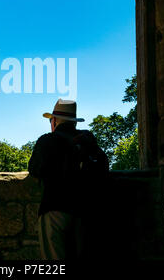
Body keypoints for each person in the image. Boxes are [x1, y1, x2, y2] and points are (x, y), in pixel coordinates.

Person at [28, 99, 109, 260]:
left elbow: (34, 169)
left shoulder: (48, 140)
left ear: (55, 120)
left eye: (51, 120)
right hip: (86, 213)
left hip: (55, 208)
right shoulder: (88, 142)